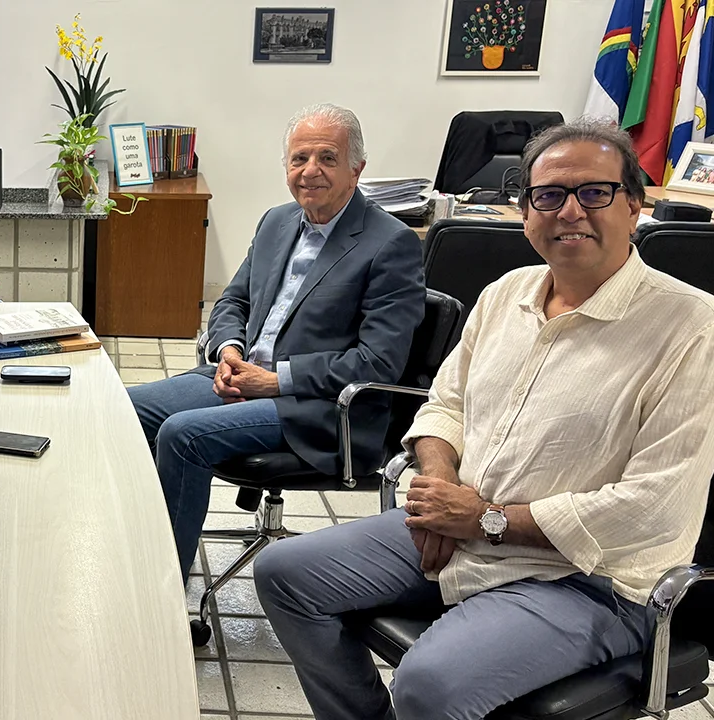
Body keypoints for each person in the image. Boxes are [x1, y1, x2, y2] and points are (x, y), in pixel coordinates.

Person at [253, 119, 714, 720]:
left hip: (587, 578)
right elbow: (444, 404)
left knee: (428, 685)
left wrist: (489, 520)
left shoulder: (691, 327)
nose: (569, 210)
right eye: (548, 195)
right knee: (285, 574)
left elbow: (652, 505)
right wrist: (443, 485)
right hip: (467, 523)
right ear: (525, 212)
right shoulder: (506, 294)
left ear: (633, 206)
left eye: (593, 192)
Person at [128, 104, 426, 578]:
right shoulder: (277, 221)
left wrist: (273, 381)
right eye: (298, 159)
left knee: (182, 435)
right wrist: (228, 353)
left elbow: (378, 363)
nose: (310, 171)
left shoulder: (390, 243)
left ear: (357, 169)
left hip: (321, 406)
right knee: (123, 409)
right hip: (244, 375)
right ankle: (141, 555)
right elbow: (233, 302)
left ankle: (161, 594)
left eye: (327, 158)